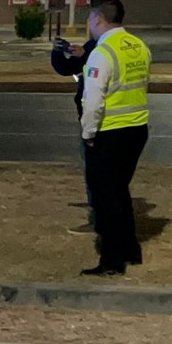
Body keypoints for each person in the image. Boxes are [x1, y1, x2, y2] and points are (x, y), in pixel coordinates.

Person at [79, 0, 151, 276]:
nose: (89, 25)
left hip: (110, 132)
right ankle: (131, 250)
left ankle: (112, 261)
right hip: (138, 128)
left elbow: (94, 99)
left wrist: (88, 133)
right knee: (120, 191)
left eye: (89, 19)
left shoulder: (102, 52)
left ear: (99, 18)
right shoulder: (138, 46)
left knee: (106, 198)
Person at [51, 33, 99, 234]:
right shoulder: (93, 46)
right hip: (92, 118)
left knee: (99, 173)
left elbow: (100, 78)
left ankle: (99, 220)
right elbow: (68, 68)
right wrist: (58, 52)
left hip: (103, 121)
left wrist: (86, 55)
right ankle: (97, 209)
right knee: (94, 171)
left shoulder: (106, 49)